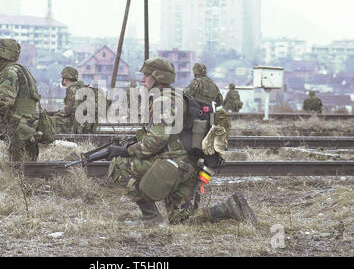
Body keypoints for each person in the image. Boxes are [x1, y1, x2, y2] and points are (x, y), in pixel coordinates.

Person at [106, 57, 256, 226]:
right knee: (182, 221)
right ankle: (227, 209)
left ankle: (151, 218)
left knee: (118, 165)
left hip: (171, 165)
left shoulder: (163, 101)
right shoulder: (177, 96)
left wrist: (126, 151)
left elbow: (154, 142)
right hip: (187, 166)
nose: (142, 79)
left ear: (158, 77)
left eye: (146, 75)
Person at [0, 38, 41, 162]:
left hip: (17, 125)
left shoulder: (9, 72)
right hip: (29, 124)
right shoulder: (21, 69)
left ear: (4, 54)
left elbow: (5, 102)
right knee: (27, 166)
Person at [53, 66, 98, 134]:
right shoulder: (81, 87)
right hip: (87, 124)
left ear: (66, 79)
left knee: (54, 120)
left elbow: (68, 110)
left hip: (78, 124)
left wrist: (55, 114)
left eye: (63, 78)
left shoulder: (72, 89)